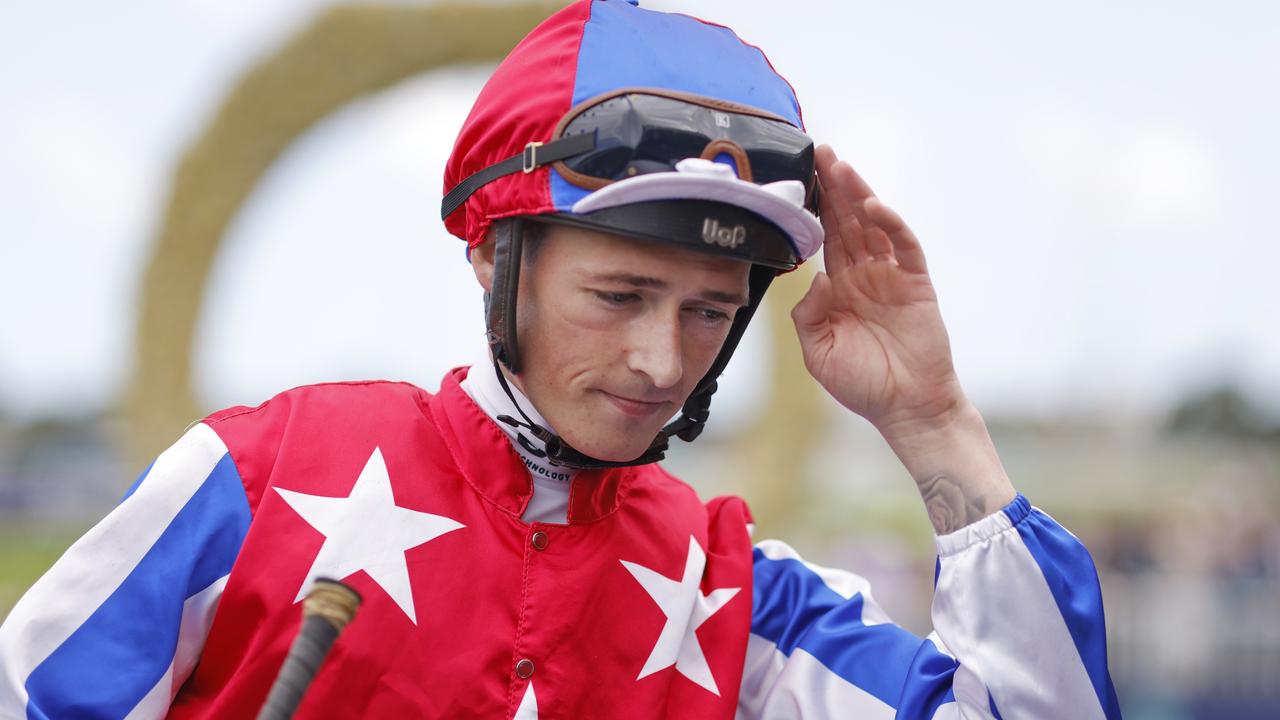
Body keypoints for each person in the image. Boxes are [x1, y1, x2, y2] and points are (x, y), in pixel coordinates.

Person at [0, 1, 1121, 718]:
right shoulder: (250, 478)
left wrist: (931, 421)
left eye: (708, 311)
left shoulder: (733, 591)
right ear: (496, 256)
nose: (658, 360)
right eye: (619, 295)